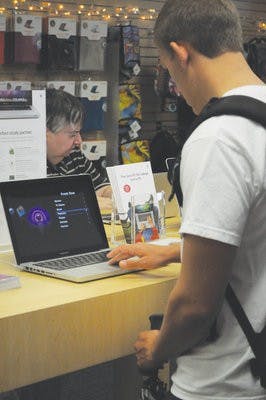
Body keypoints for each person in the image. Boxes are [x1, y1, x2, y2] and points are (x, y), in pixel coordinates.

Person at [107, 0, 266, 399]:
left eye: (167, 68)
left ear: (181, 52)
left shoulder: (219, 138)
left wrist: (156, 349)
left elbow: (194, 305)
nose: (174, 86)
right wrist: (177, 251)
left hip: (223, 381)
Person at [46, 88, 112, 209]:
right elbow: (50, 206)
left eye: (79, 133)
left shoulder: (73, 155)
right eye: (72, 134)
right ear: (46, 132)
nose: (79, 141)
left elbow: (100, 186)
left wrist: (112, 193)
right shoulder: (29, 168)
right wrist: (88, 202)